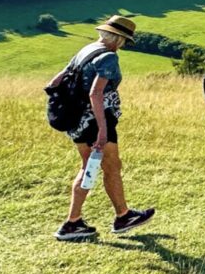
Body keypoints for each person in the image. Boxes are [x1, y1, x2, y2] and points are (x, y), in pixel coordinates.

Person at [47, 16, 155, 241]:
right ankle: (74, 223)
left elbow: (54, 82)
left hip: (78, 121)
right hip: (96, 122)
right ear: (120, 39)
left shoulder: (87, 49)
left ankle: (119, 215)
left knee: (102, 166)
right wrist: (103, 131)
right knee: (99, 167)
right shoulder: (109, 58)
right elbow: (95, 93)